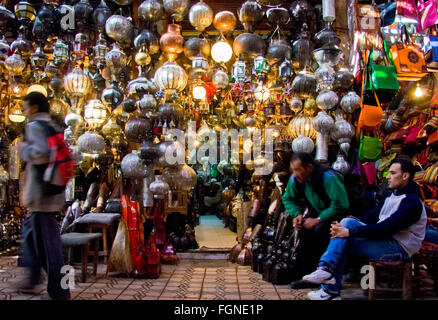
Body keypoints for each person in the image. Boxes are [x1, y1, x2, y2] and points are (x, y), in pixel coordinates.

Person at [302, 155, 427, 300]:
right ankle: (327, 273)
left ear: (405, 176)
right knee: (347, 224)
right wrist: (342, 227)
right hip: (386, 241)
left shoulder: (412, 202)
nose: (388, 177)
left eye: (393, 173)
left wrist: (349, 232)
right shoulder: (393, 196)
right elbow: (371, 217)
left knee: (346, 236)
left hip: (399, 249)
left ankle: (329, 286)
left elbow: (387, 228)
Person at [17, 92, 70, 300]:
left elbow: (39, 153)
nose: (23, 111)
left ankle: (59, 291)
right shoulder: (53, 127)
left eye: (25, 107)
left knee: (52, 250)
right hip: (49, 194)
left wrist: (23, 149)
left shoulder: (35, 127)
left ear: (34, 108)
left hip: (42, 196)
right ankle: (33, 280)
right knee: (34, 240)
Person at [281, 152, 350, 289]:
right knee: (304, 229)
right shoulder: (295, 179)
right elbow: (287, 198)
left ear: (309, 167)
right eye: (293, 170)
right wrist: (297, 214)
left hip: (337, 215)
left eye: (298, 170)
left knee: (322, 230)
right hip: (316, 213)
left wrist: (318, 219)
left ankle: (331, 276)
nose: (295, 174)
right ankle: (308, 276)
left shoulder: (328, 177)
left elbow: (341, 204)